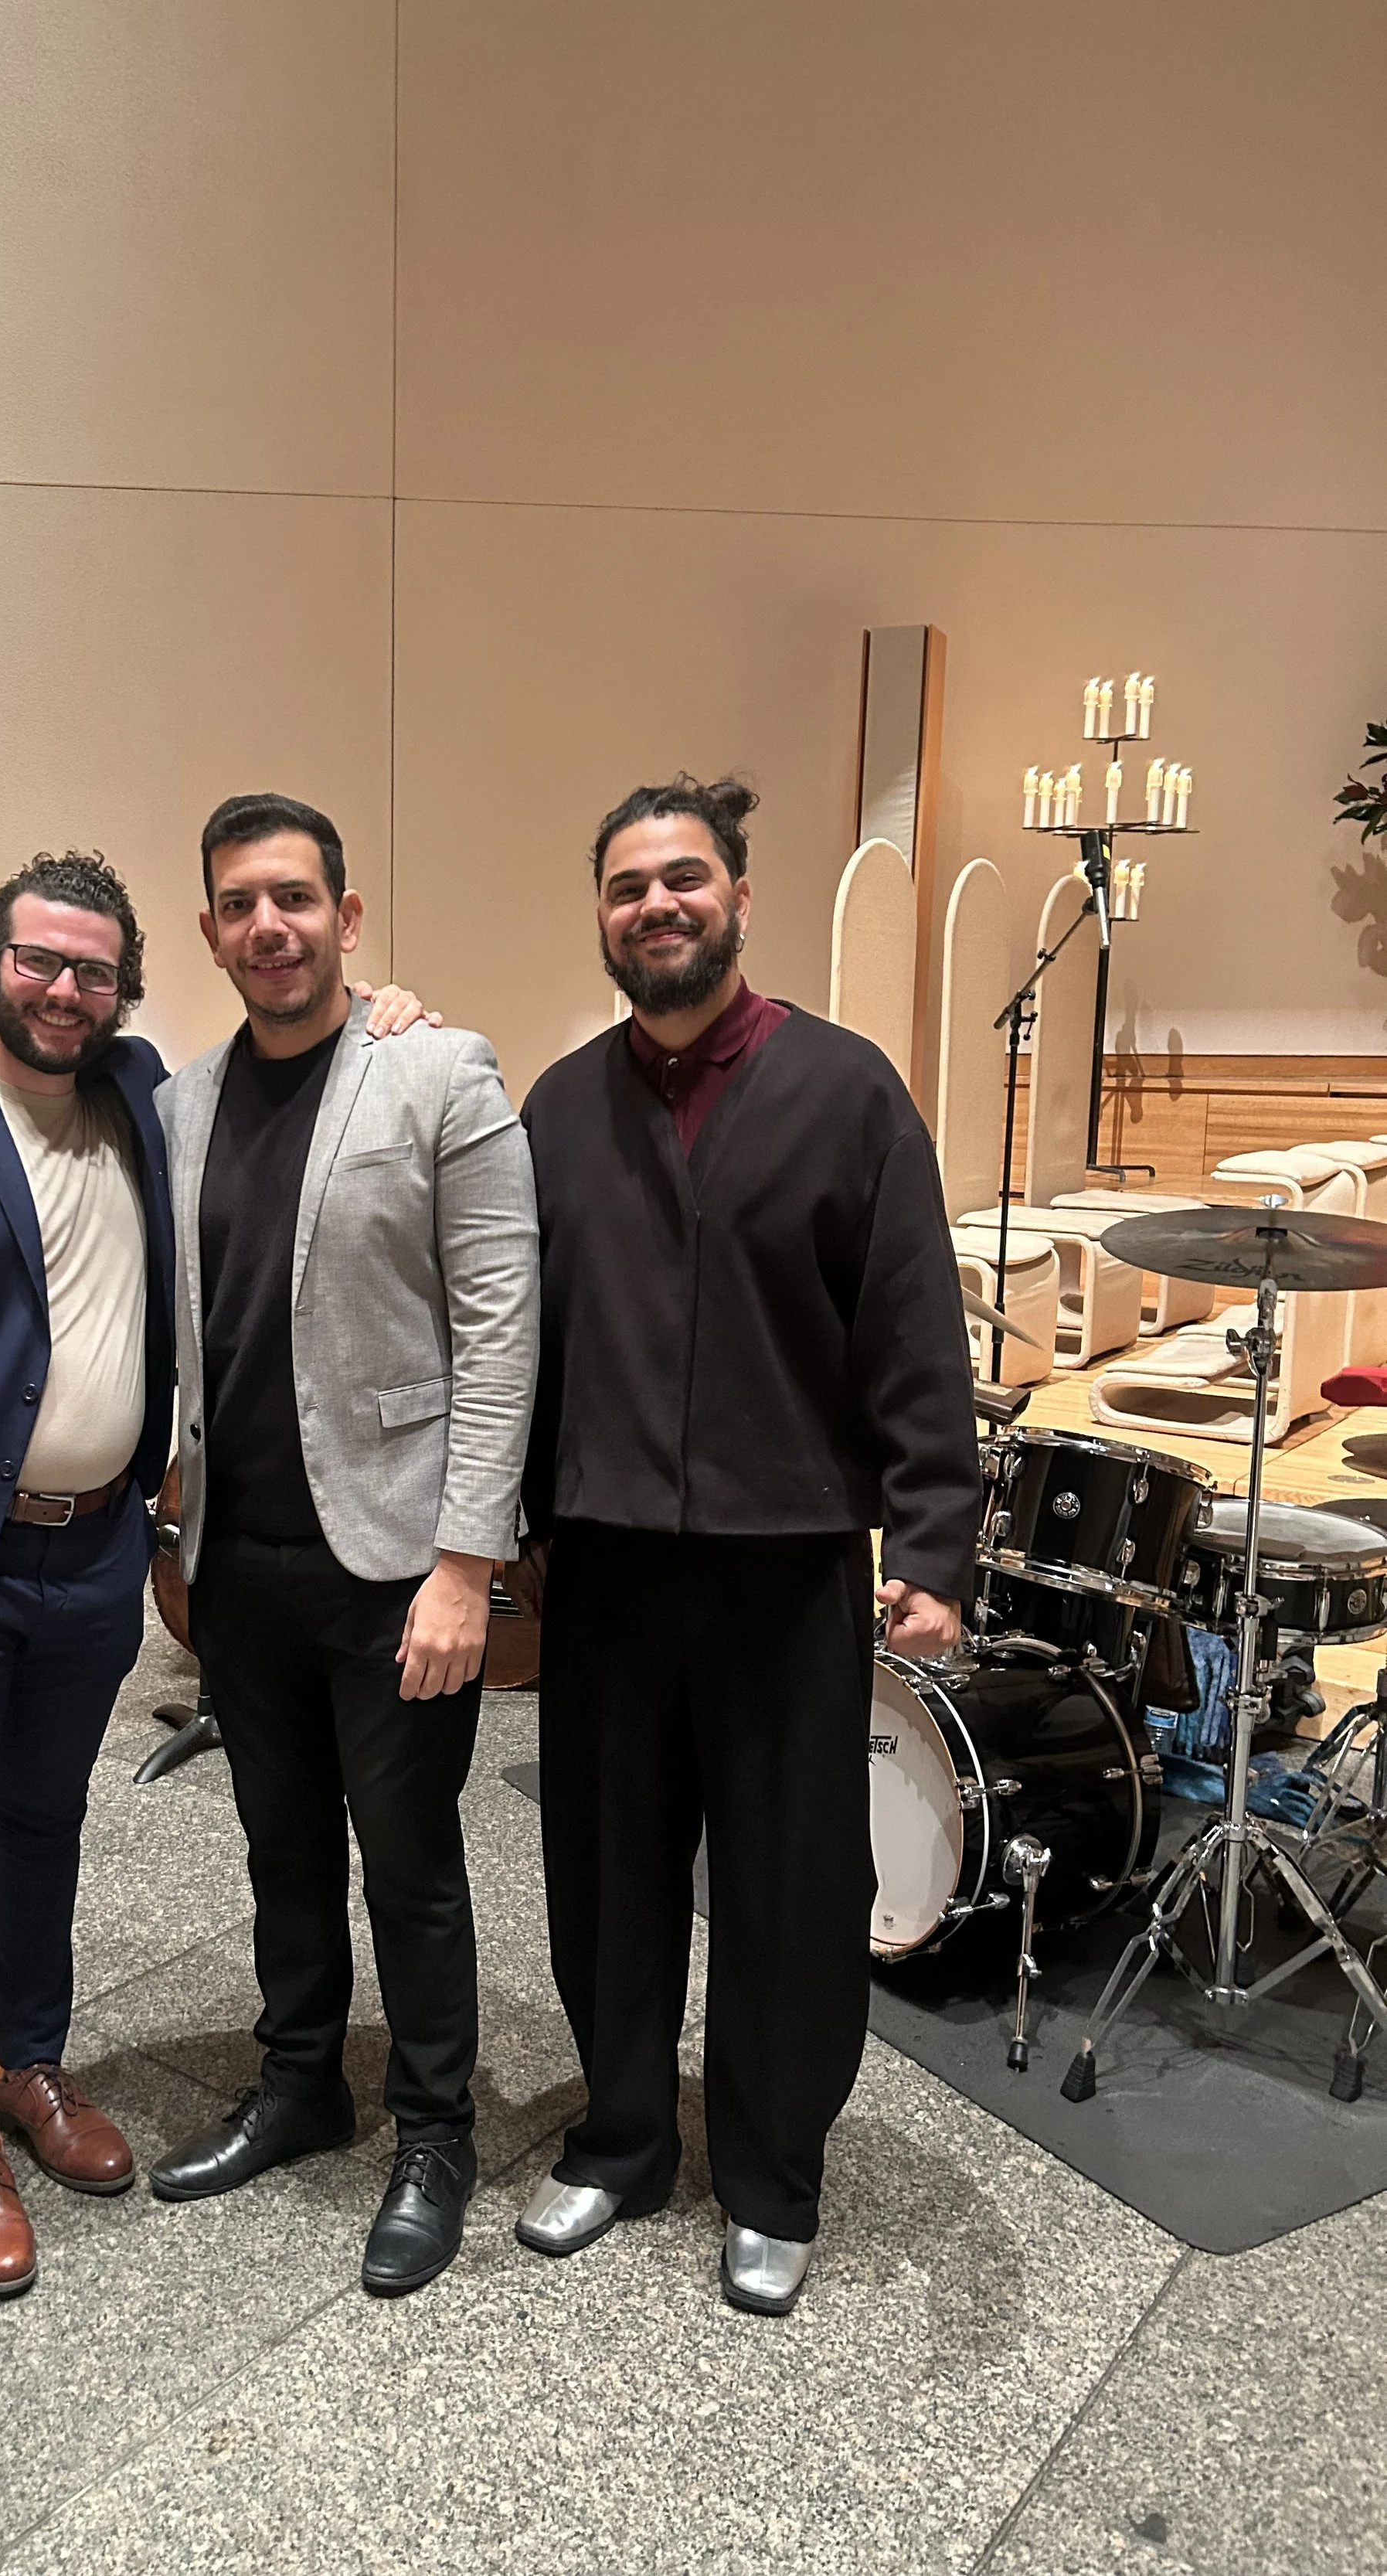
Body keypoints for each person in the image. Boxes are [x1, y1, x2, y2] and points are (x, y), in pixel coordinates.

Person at [0, 849, 427, 2300]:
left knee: (45, 1825)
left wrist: (385, 1006)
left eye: (93, 969)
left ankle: (30, 2065)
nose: (65, 989)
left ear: (124, 985)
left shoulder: (148, 1103)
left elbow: (301, 1047)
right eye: (40, 962)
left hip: (93, 1556)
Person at [506, 774, 979, 2316]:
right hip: (607, 1569)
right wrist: (502, 1525)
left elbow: (912, 1327)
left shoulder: (845, 1092)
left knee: (788, 1888)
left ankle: (773, 2176)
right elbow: (519, 1336)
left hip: (785, 1567)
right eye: (626, 883)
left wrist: (932, 1534)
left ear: (737, 899)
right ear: (599, 915)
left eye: (682, 877)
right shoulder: (558, 1107)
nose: (655, 903)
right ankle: (624, 2137)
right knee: (605, 1873)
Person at [148, 792, 540, 2297]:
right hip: (233, 1553)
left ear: (347, 916)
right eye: (240, 903)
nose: (270, 925)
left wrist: (465, 1563)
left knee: (411, 1864)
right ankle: (300, 2082)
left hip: (392, 1562)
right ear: (211, 931)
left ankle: (431, 2133)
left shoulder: (435, 1067)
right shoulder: (180, 1106)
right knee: (279, 1846)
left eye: (295, 898)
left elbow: (502, 1328)